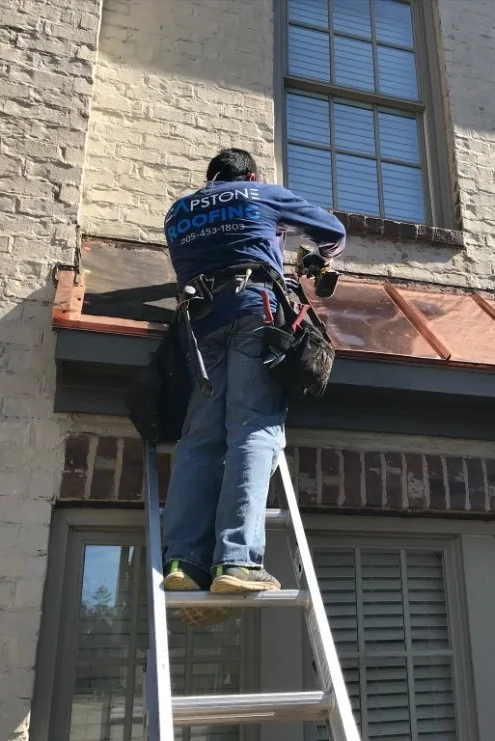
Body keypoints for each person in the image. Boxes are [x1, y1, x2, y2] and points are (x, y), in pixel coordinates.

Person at [160, 148, 346, 626]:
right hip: (253, 311)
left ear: (210, 177)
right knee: (254, 428)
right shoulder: (260, 194)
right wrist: (316, 258)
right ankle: (237, 560)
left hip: (198, 325)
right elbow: (333, 232)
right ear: (251, 174)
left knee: (200, 437)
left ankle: (184, 561)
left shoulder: (178, 212)